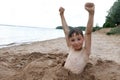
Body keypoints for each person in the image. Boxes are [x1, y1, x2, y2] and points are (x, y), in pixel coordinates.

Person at [59, 2, 95, 74]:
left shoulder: (86, 52)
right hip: (63, 74)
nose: (76, 42)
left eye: (79, 39)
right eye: (72, 40)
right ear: (69, 41)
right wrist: (62, 15)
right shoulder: (71, 48)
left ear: (83, 39)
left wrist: (91, 14)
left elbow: (88, 33)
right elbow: (66, 32)